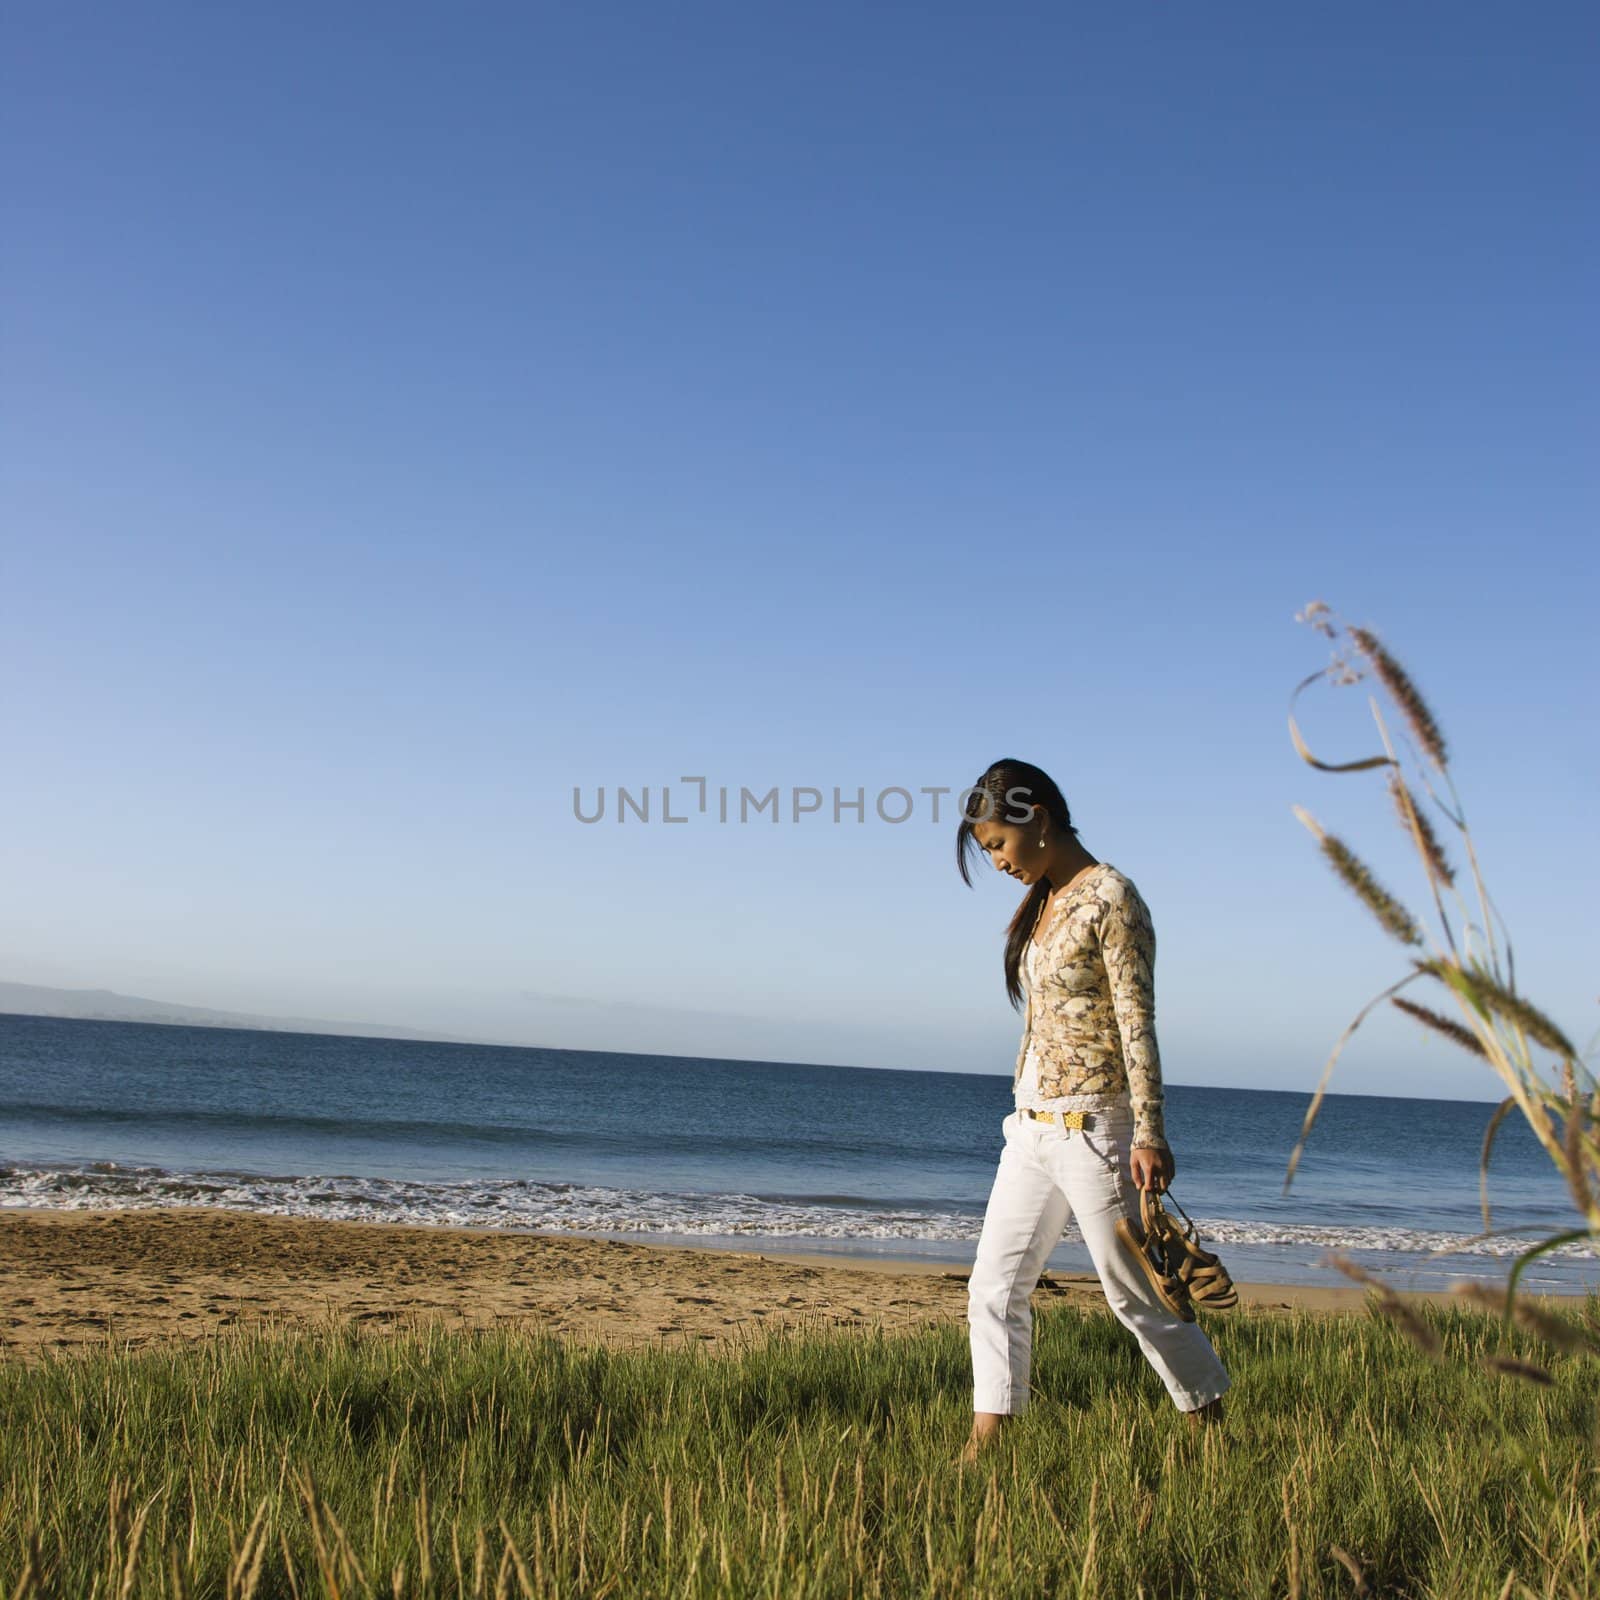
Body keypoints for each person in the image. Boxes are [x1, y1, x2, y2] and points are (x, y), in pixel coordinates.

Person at [954, 758, 1230, 1464]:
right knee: (993, 1286)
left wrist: (1150, 1132)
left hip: (1093, 1128)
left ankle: (1212, 1427)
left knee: (1133, 1294)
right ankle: (989, 1444)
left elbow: (1137, 1020)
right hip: (1031, 1126)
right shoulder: (1045, 901)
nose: (996, 862)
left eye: (998, 845)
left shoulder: (1112, 895)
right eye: (986, 850)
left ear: (1037, 818)